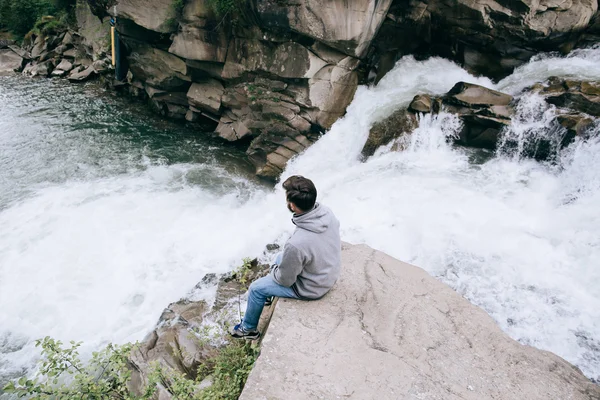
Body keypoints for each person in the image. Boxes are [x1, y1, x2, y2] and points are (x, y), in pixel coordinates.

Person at [231, 175, 341, 339]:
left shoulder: (296, 244)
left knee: (256, 288)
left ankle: (248, 330)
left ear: (293, 205)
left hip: (312, 287)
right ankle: (267, 296)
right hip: (328, 273)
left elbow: (285, 280)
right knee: (279, 257)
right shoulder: (326, 213)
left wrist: (274, 269)